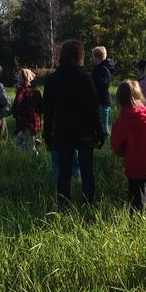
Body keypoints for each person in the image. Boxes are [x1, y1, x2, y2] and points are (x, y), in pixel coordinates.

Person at [43, 39, 105, 204]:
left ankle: (63, 205)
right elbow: (93, 108)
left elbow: (48, 111)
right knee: (87, 171)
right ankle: (88, 204)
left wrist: (47, 134)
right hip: (85, 132)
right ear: (78, 56)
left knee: (64, 171)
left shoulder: (52, 79)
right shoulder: (85, 78)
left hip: (63, 132)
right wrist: (100, 131)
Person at [110, 80, 146, 211]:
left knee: (137, 195)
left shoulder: (122, 120)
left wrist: (124, 152)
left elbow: (116, 145)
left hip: (134, 163)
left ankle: (137, 222)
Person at [12, 68, 44, 153]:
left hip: (26, 123)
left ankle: (34, 160)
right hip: (36, 122)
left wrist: (16, 115)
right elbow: (42, 107)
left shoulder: (21, 92)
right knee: (22, 139)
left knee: (28, 146)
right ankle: (34, 142)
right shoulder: (36, 92)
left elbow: (17, 105)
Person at [90, 46, 115, 135]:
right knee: (102, 124)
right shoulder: (106, 67)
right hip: (104, 99)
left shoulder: (101, 69)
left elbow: (102, 85)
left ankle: (106, 140)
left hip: (102, 100)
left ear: (96, 57)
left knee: (104, 127)